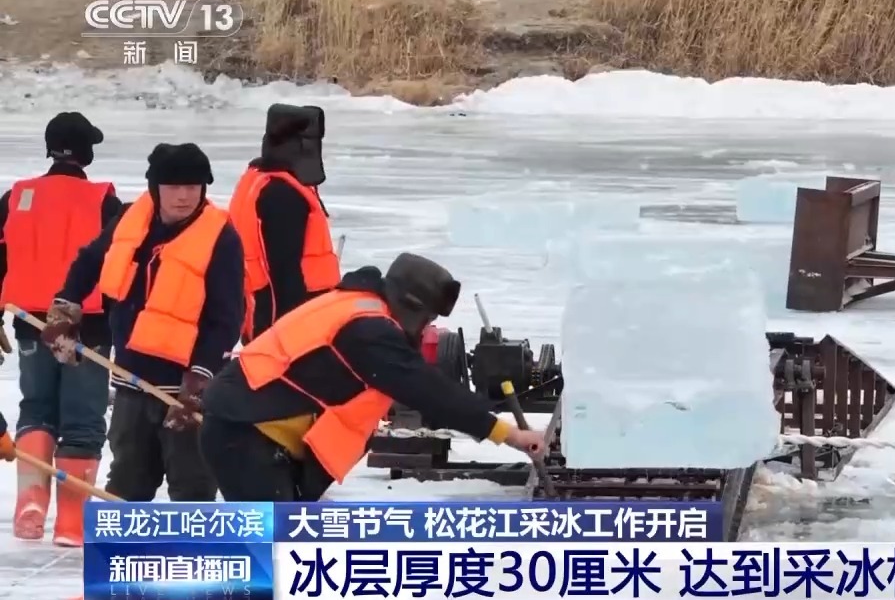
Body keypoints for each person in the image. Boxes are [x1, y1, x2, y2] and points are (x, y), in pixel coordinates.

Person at [198, 253, 545, 501]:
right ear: (411, 307)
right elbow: (427, 390)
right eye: (427, 320)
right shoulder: (369, 329)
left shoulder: (354, 305)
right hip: (246, 434)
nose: (426, 329)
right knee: (272, 551)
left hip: (249, 428)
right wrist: (508, 434)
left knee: (281, 549)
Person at [42, 142, 245, 515]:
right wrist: (65, 308)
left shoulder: (222, 237)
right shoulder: (130, 220)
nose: (184, 196)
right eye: (173, 187)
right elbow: (89, 261)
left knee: (193, 486)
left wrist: (200, 379)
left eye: (193, 187)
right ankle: (123, 550)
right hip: (131, 383)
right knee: (127, 485)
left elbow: (227, 317)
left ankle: (192, 551)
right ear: (155, 188)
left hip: (186, 390)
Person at [0, 112, 122, 545]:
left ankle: (30, 505)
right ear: (86, 154)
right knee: (83, 420)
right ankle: (71, 524)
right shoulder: (103, 201)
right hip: (88, 327)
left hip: (30, 324)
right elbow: (119, 268)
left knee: (36, 409)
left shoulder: (16, 196)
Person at [228, 104, 340, 342]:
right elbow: (284, 271)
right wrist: (294, 330)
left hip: (261, 314)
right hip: (288, 323)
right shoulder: (282, 193)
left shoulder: (258, 178)